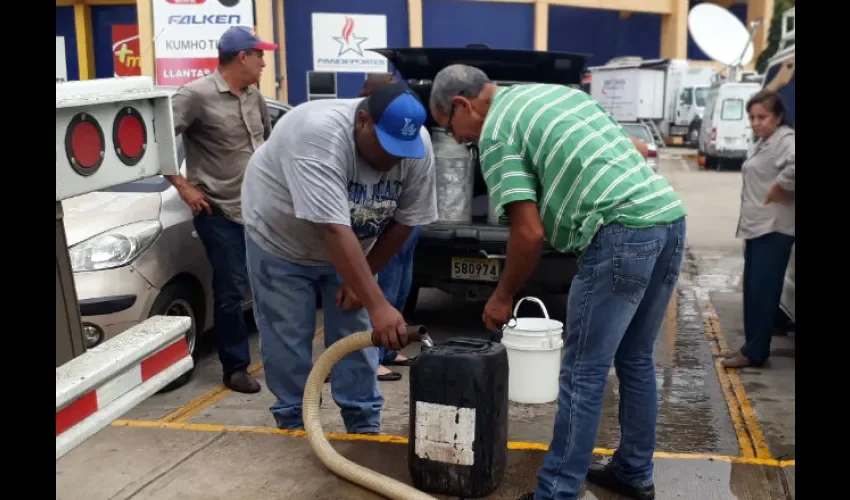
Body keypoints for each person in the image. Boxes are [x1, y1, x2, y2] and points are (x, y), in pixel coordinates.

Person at [428, 65, 688, 500]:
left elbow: (528, 233)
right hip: (668, 218)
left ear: (462, 105)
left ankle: (557, 492)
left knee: (583, 373)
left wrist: (502, 295)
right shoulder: (555, 96)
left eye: (450, 128)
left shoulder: (495, 131)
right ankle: (634, 472)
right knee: (636, 359)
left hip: (620, 230)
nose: (456, 139)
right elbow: (635, 147)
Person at [241, 83, 438, 433]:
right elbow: (333, 228)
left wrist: (363, 282)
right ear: (361, 120)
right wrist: (378, 305)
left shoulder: (416, 144)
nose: (394, 160)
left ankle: (363, 425)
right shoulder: (316, 135)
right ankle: (295, 423)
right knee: (287, 339)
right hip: (281, 241)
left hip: (352, 248)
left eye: (401, 151)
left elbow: (407, 220)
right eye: (386, 147)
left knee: (357, 339)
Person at [168, 26, 278, 394]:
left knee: (271, 286)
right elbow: (158, 139)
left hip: (261, 209)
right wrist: (182, 185)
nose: (265, 62)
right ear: (242, 57)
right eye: (260, 55)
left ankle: (283, 361)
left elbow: (266, 145)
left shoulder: (254, 97)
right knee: (230, 288)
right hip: (219, 210)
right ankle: (235, 368)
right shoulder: (195, 95)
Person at [721, 89, 795, 369]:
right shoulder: (764, 141)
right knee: (753, 291)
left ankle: (755, 352)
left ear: (777, 117)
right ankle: (750, 348)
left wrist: (781, 186)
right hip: (757, 227)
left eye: (762, 117)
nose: (755, 122)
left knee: (763, 293)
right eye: (751, 117)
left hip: (774, 228)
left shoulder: (785, 140)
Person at [359, 73, 418, 381]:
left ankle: (389, 348)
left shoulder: (414, 144)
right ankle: (376, 355)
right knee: (383, 290)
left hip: (401, 222)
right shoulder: (349, 136)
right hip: (377, 225)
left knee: (401, 285)